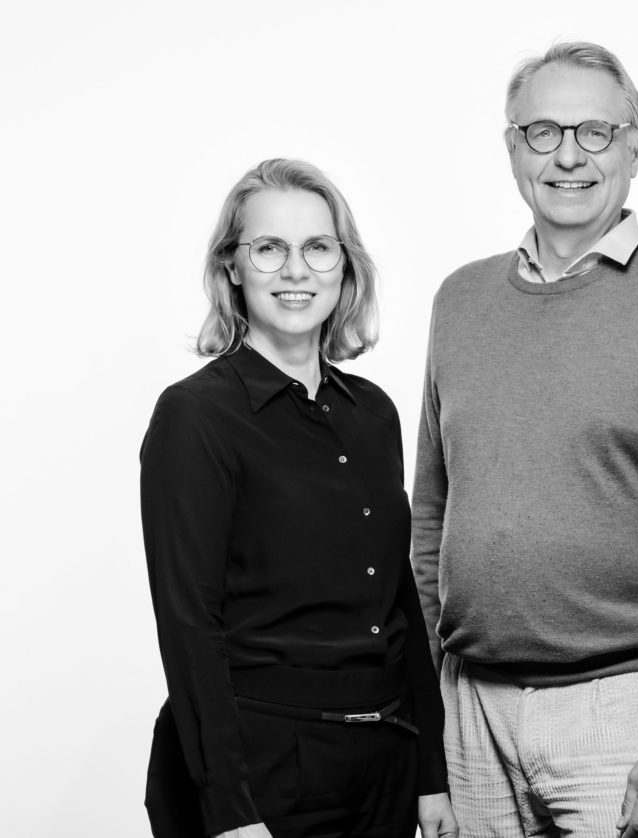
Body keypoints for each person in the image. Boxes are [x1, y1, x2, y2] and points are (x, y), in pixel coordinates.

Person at [411, 42, 638, 838]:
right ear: (512, 148)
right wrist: (423, 703)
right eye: (542, 132)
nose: (568, 156)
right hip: (468, 708)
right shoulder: (459, 302)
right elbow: (429, 519)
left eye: (595, 132)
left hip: (622, 710)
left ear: (635, 148)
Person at [141, 159, 457, 838]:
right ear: (231, 266)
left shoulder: (372, 413)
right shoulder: (196, 416)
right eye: (268, 248)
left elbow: (399, 600)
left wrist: (431, 772)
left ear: (345, 266)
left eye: (317, 247)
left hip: (385, 765)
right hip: (265, 773)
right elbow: (188, 624)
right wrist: (228, 808)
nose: (295, 270)